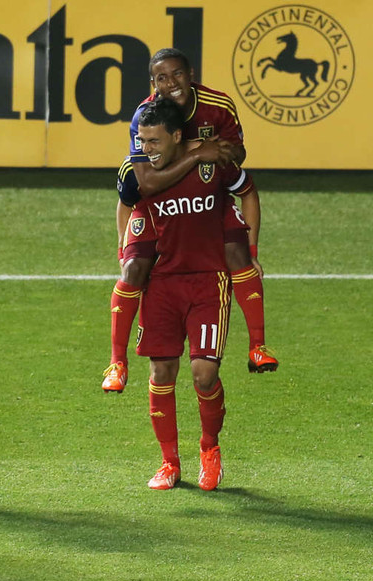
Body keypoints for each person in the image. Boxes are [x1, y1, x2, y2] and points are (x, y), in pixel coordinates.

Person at [102, 48, 277, 393]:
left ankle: (258, 346)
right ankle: (116, 362)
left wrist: (254, 248)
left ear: (191, 73)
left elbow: (238, 158)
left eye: (178, 74)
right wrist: (198, 150)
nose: (172, 83)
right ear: (153, 83)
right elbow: (143, 184)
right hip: (159, 205)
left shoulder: (218, 105)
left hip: (207, 196)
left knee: (239, 256)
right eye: (162, 78)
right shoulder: (145, 116)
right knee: (134, 269)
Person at [125, 97, 260, 490]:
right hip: (162, 285)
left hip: (207, 280)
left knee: (204, 375)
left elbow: (248, 189)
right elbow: (128, 200)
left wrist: (250, 254)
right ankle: (169, 462)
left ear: (177, 136)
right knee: (161, 371)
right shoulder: (139, 169)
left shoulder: (212, 163)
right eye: (141, 141)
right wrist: (124, 250)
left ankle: (209, 449)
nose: (145, 149)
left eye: (153, 141)